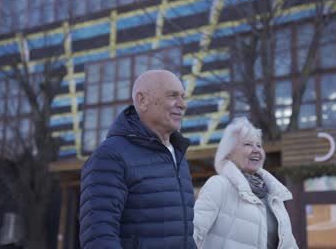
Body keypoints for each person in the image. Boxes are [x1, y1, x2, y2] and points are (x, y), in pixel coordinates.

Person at [79, 70, 196, 248]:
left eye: (182, 96)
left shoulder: (178, 156)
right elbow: (99, 236)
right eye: (173, 96)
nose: (182, 104)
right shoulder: (110, 155)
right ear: (142, 100)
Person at [193, 117, 298, 249]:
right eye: (248, 144)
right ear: (229, 153)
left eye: (259, 145)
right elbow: (193, 233)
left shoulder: (274, 195)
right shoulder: (218, 185)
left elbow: (289, 244)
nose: (256, 150)